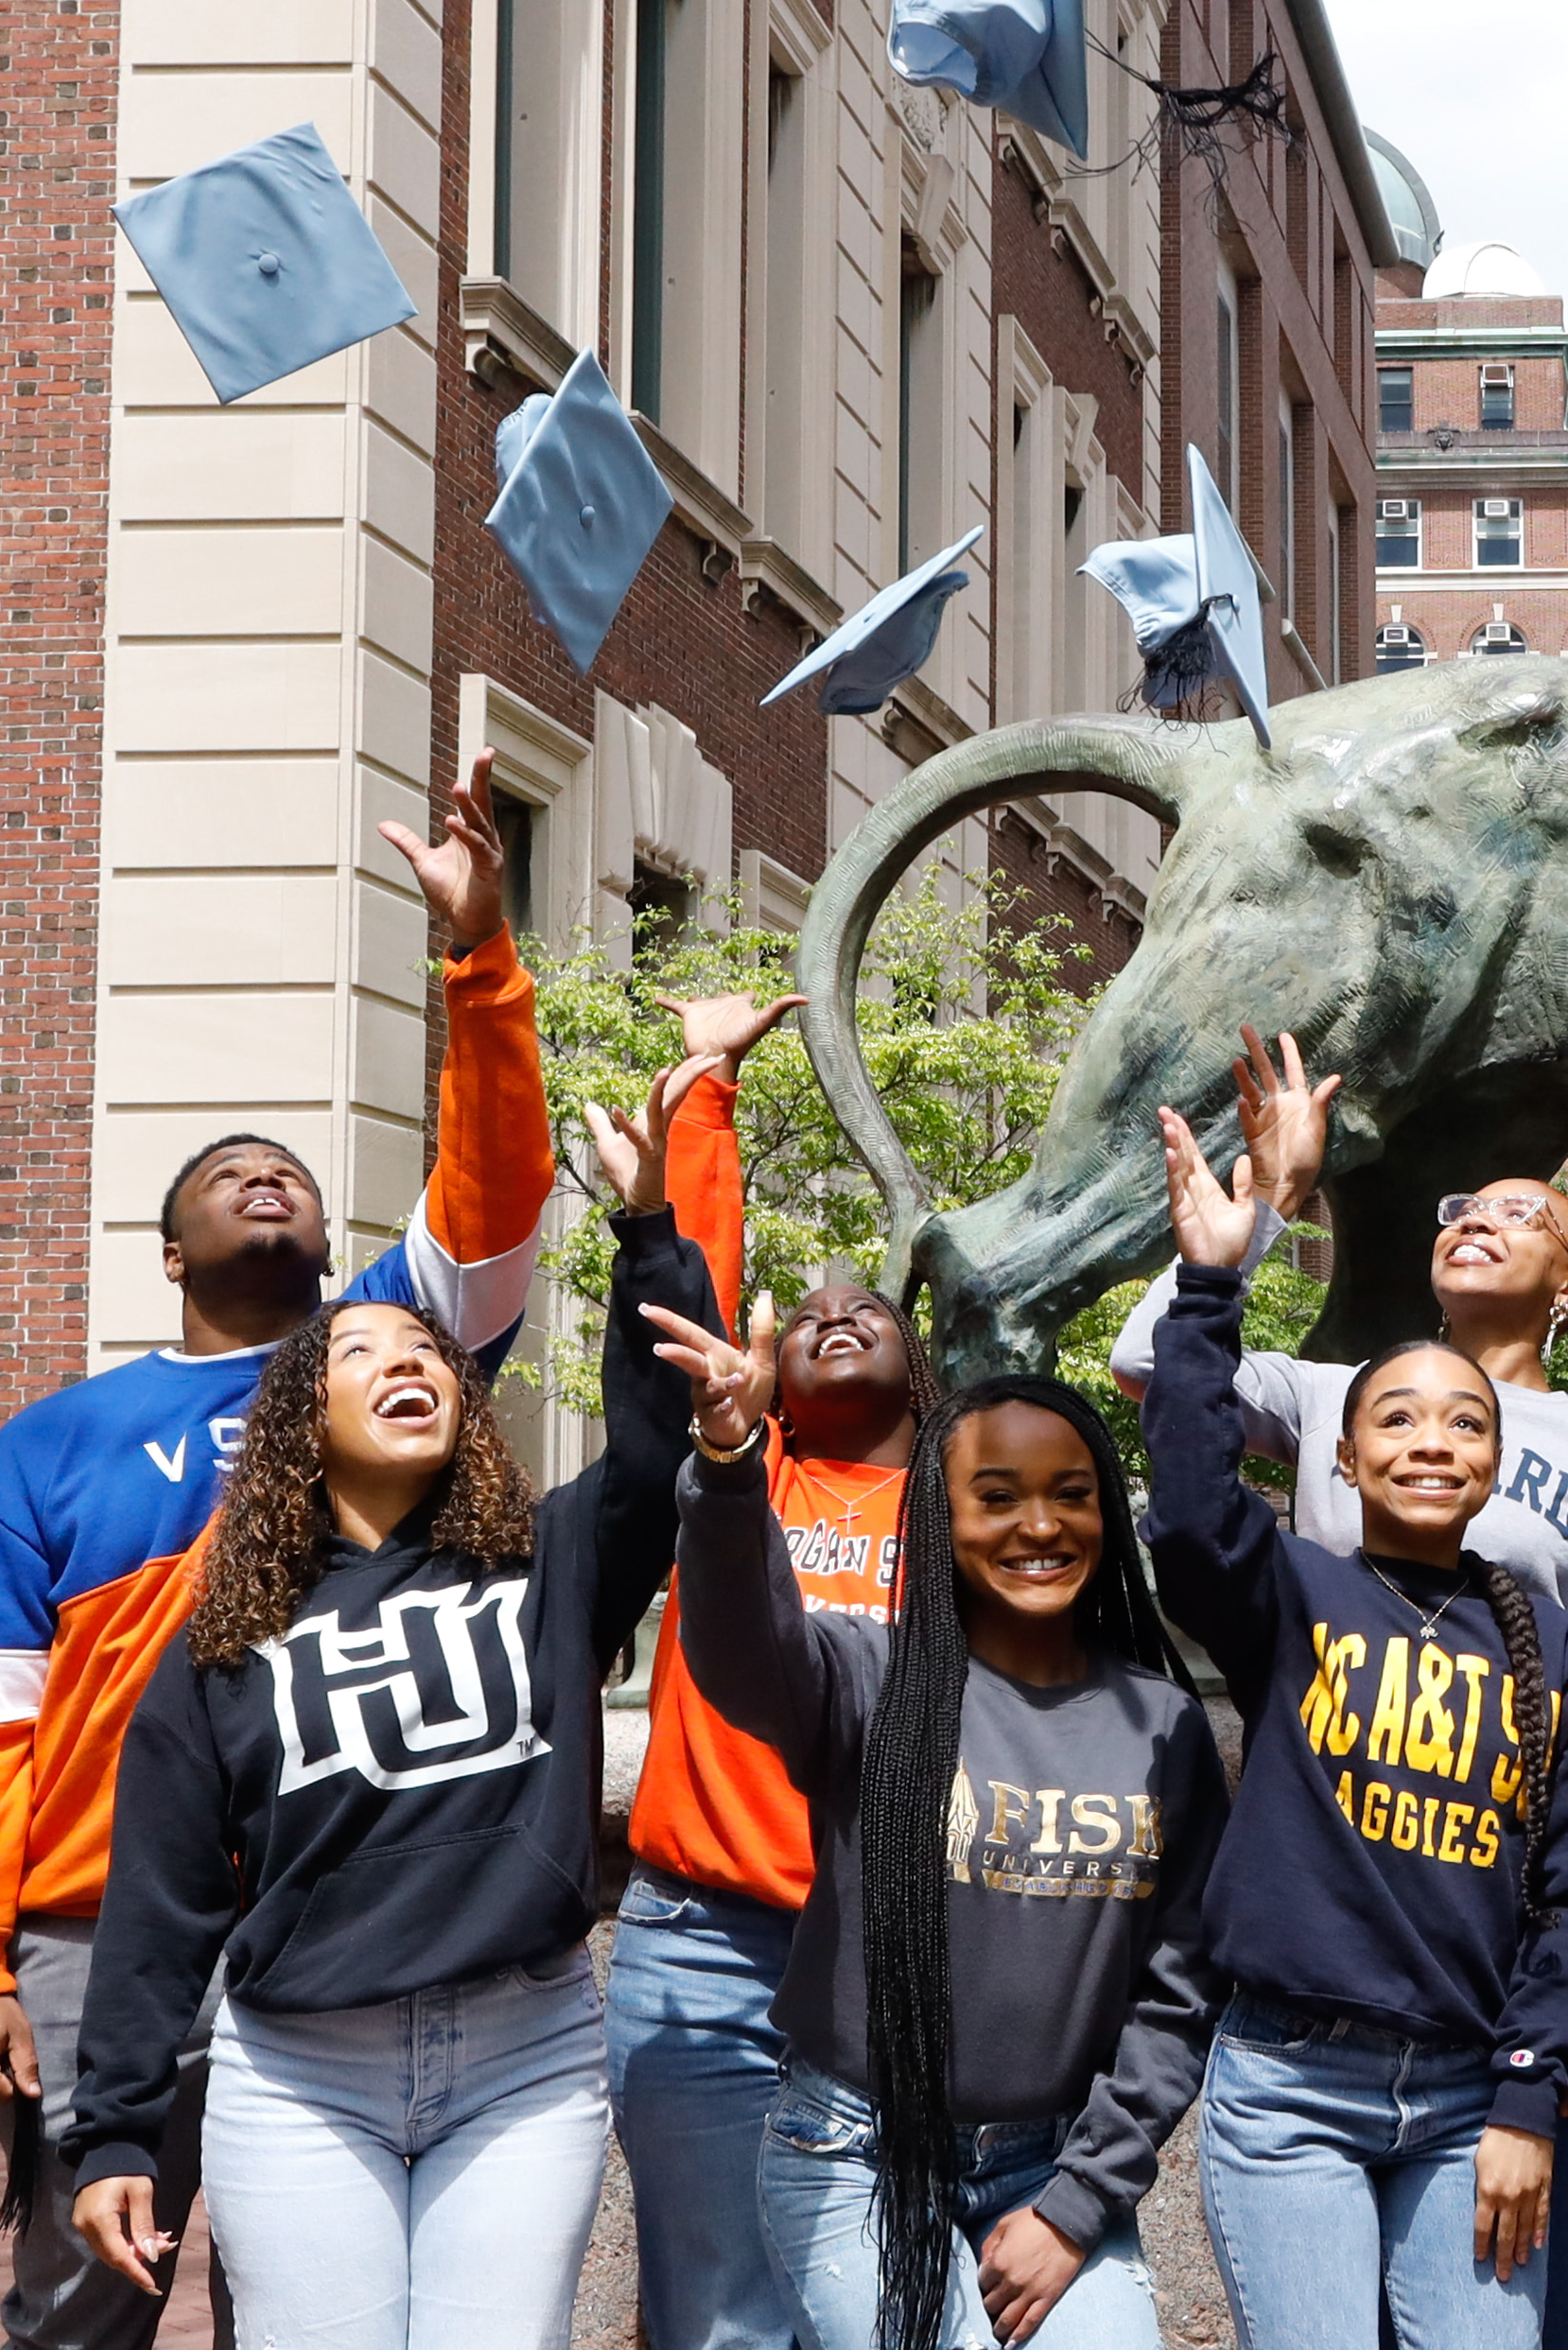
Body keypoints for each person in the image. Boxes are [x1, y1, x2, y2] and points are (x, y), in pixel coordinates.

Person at [0, 751, 548, 2350]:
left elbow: (491, 1188)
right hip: (87, 1922)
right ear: (171, 1245)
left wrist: (481, 960)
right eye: (224, 1174)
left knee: (306, 2306)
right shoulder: (42, 1448)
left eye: (290, 1171)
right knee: (82, 2301)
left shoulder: (394, 1362)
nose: (264, 1173)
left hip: (342, 1920)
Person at [59, 1062, 712, 2349]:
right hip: (301, 2072)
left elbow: (659, 1441)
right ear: (302, 1419)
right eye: (363, 1348)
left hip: (524, 2055)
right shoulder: (224, 1644)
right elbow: (161, 1902)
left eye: (426, 1350)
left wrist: (650, 1233)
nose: (407, 1359)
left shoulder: (553, 1562)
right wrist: (117, 2130)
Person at [1109, 1031, 1568, 2350]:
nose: (1432, 1440)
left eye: (1521, 1211)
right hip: (1300, 2029)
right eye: (1465, 1207)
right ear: (1352, 1450)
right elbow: (1170, 1419)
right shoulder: (1323, 1419)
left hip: (1496, 2020)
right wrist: (1247, 1230)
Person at [644, 1283, 1227, 2350]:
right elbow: (738, 1651)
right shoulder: (870, 1681)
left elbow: (1179, 1994)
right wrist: (728, 1466)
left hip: (1054, 2168)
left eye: (1071, 1494)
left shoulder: (1164, 1726)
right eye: (996, 1496)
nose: (1039, 1524)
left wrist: (1078, 2203)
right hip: (852, 2152)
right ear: (937, 1517)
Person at [610, 984, 959, 2350]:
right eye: (803, 1308)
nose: (827, 1309)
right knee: (719, 2321)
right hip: (703, 1948)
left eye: (863, 1305)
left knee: (885, 2306)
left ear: (922, 1366)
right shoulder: (744, 1486)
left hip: (901, 1947)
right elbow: (690, 1289)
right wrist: (705, 1084)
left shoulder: (972, 1505)